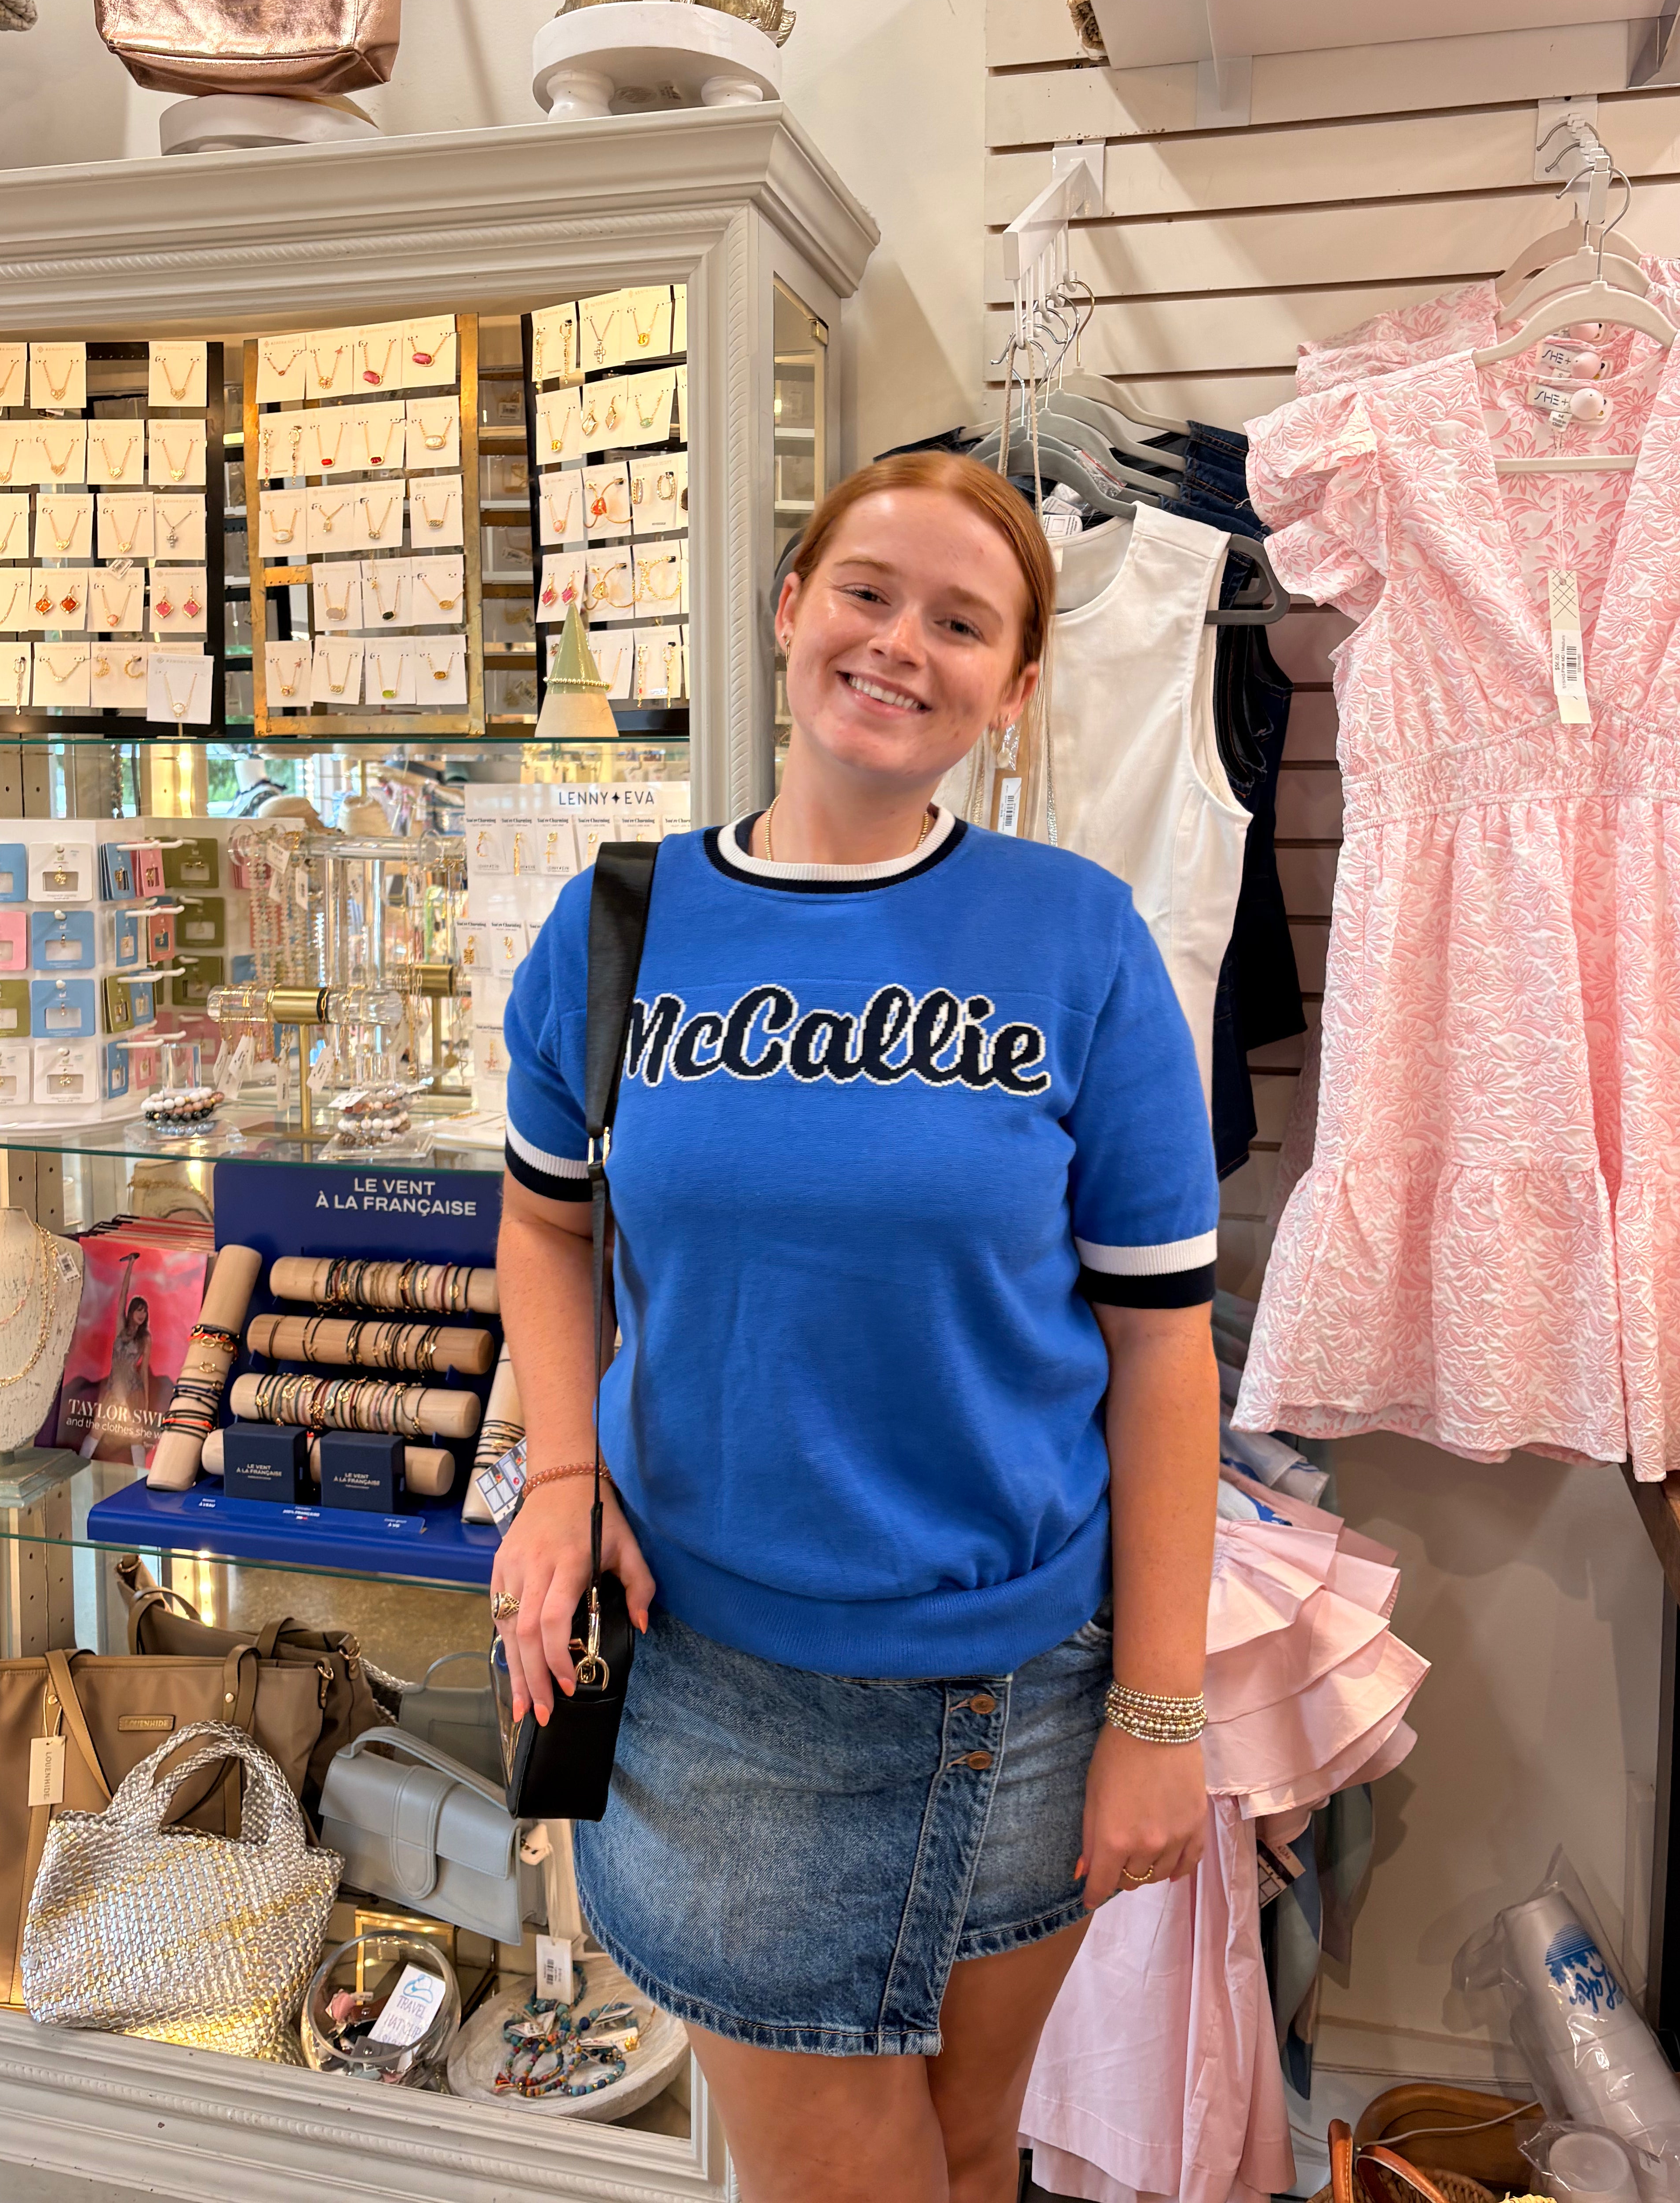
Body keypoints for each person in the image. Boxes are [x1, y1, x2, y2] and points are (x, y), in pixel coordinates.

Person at [492, 450, 1219, 2203]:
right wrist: (560, 1473)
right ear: (788, 609)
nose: (901, 644)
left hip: (1024, 1698)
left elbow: (1162, 1344)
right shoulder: (618, 925)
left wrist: (1160, 1712)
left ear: (1015, 686)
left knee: (968, 2160)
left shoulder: (1077, 940)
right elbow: (542, 1217)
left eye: (962, 623)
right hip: (724, 1693)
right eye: (868, 593)